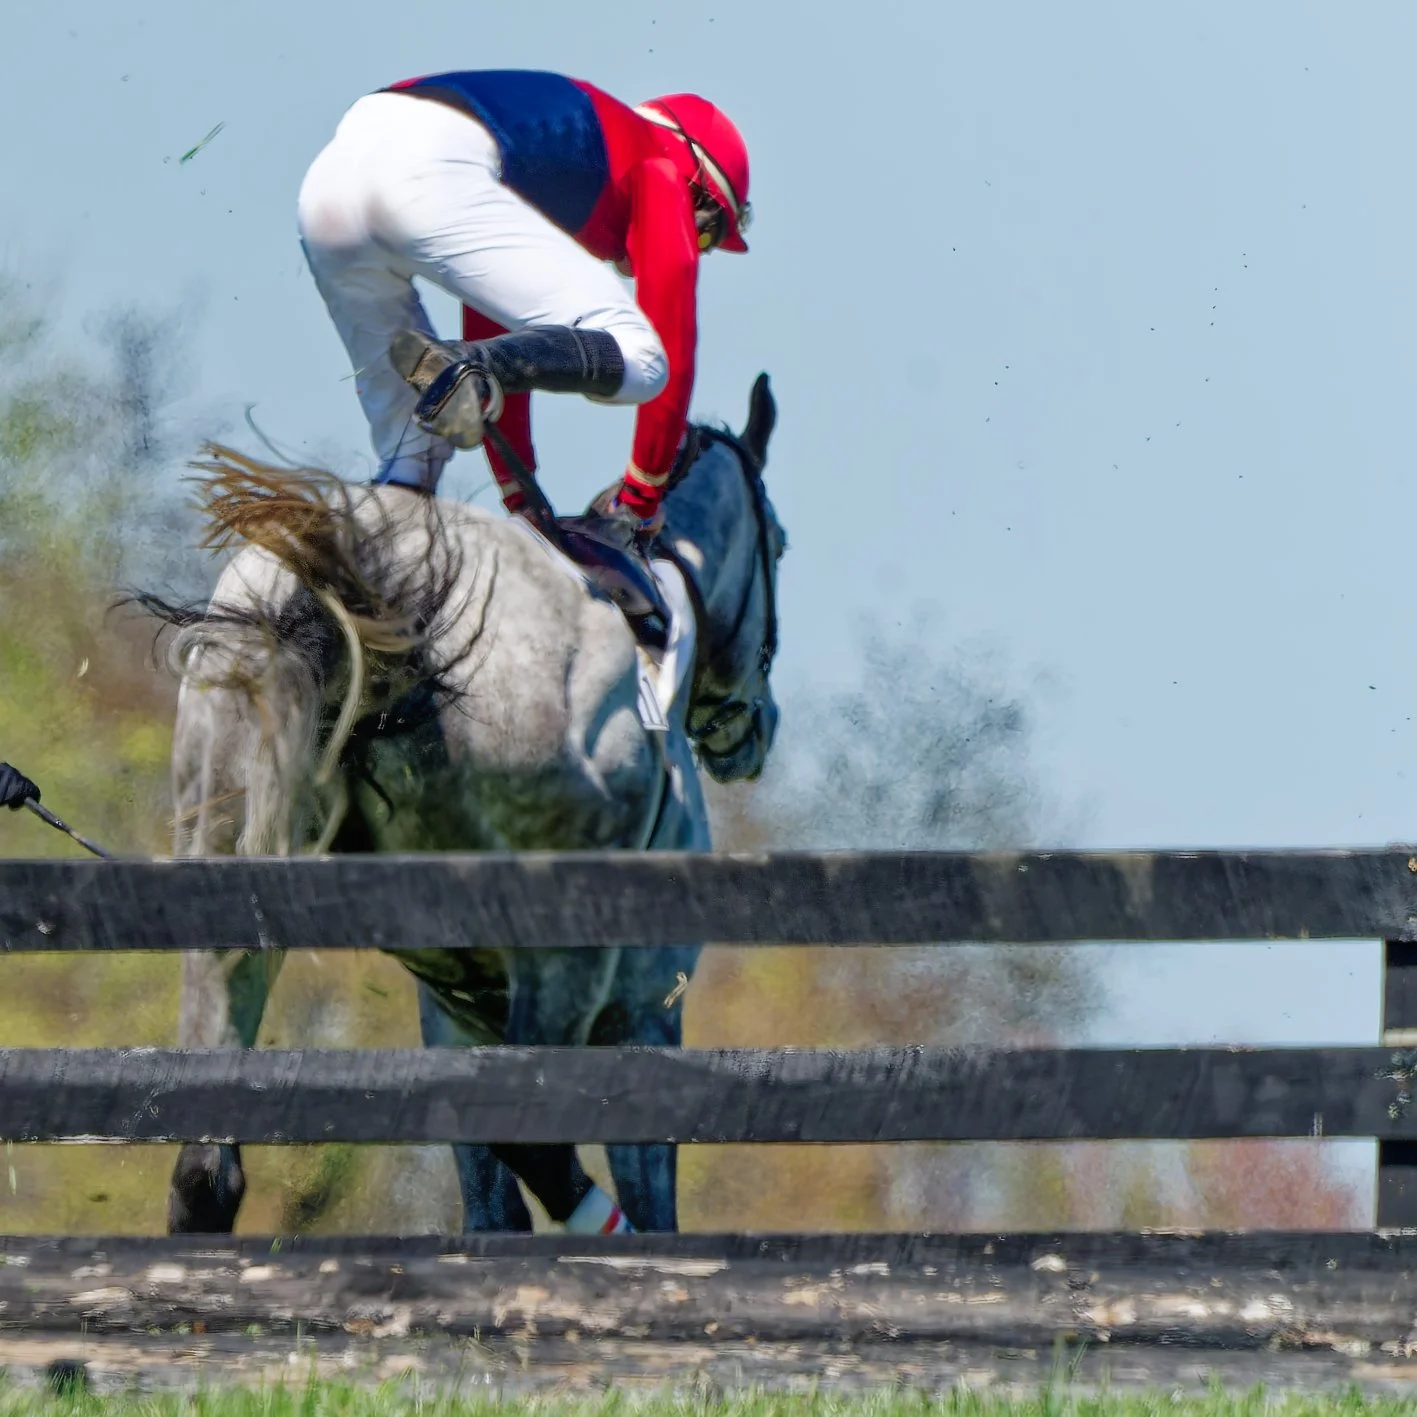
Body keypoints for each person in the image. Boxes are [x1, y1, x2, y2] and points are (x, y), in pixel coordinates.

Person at [296, 69, 751, 559]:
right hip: (432, 158)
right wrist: (639, 502)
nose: (693, 249)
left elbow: (493, 319)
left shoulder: (562, 164)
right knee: (645, 358)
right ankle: (466, 371)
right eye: (704, 234)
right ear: (696, 188)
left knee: (410, 462)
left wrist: (520, 496)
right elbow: (673, 349)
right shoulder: (656, 163)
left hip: (331, 181)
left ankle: (337, 576)